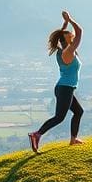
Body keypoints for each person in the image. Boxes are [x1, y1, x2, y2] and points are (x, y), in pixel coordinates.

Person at [28, 11, 85, 153]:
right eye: (69, 35)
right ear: (66, 40)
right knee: (59, 117)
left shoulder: (62, 50)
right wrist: (70, 19)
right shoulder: (68, 51)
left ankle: (73, 140)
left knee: (78, 111)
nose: (72, 35)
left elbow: (65, 34)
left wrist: (65, 23)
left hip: (65, 87)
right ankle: (36, 134)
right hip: (65, 88)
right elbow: (79, 31)